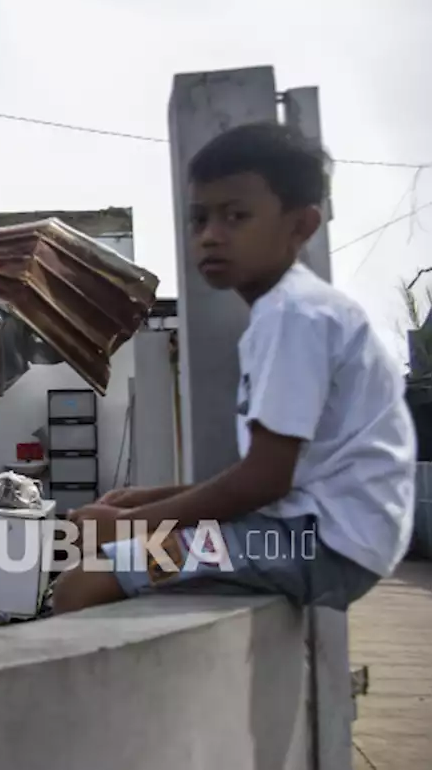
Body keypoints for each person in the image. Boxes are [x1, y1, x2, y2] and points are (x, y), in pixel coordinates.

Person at [53, 122, 415, 614]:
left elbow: (264, 481)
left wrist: (133, 524)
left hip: (314, 546)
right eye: (199, 219)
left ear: (301, 226)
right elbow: (274, 472)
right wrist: (142, 500)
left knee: (84, 582)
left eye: (235, 217)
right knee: (109, 554)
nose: (210, 237)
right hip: (313, 532)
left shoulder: (295, 316)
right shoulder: (290, 311)